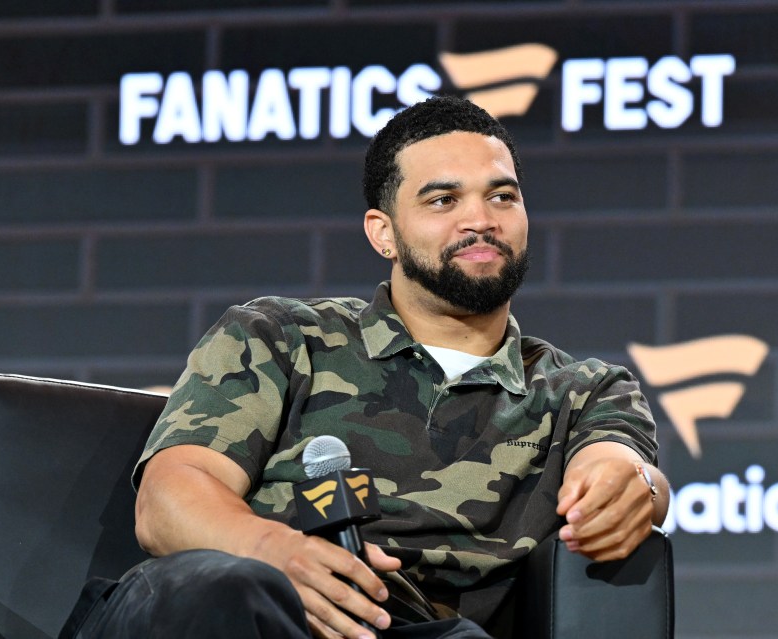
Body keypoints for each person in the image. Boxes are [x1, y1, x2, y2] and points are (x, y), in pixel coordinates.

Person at [61, 95, 669, 639]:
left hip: (414, 626)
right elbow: (169, 498)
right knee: (225, 590)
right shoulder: (281, 336)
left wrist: (634, 488)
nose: (480, 218)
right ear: (383, 234)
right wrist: (275, 551)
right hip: (249, 603)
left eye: (501, 196)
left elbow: (618, 467)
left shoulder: (583, 390)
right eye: (442, 199)